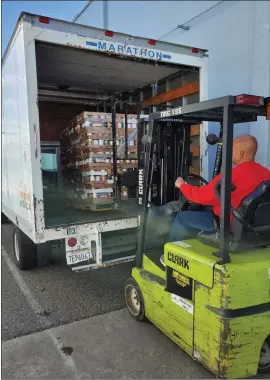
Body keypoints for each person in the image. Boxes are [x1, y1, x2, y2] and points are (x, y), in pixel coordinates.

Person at [148, 135, 270, 243]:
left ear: (240, 153)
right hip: (252, 226)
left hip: (227, 225)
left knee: (182, 217)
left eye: (232, 149)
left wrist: (182, 185)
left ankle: (170, 254)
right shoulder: (266, 174)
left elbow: (201, 197)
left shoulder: (231, 176)